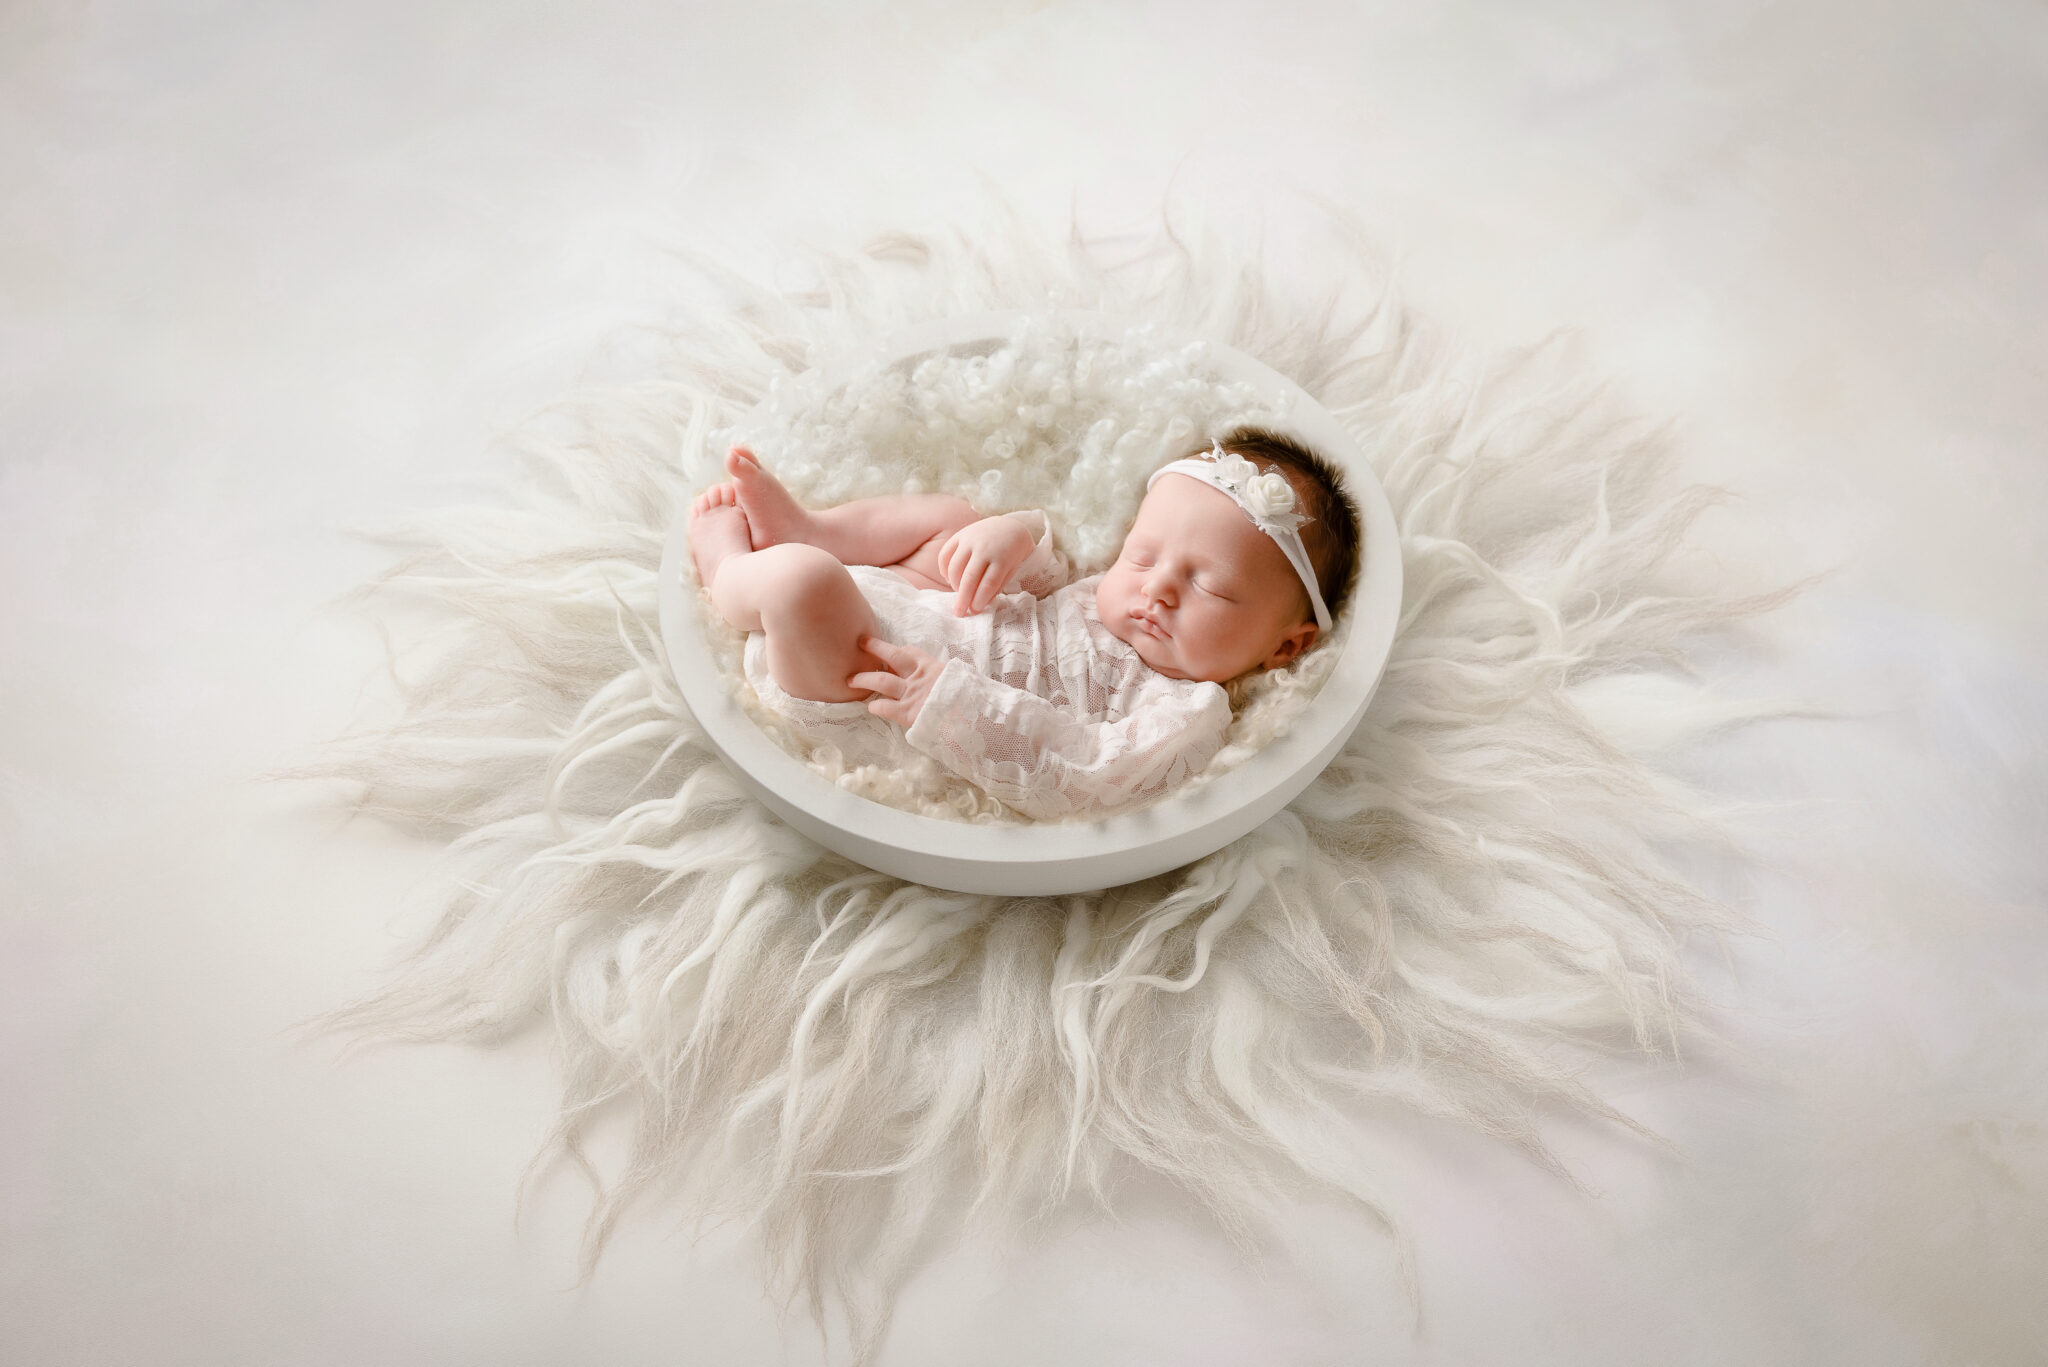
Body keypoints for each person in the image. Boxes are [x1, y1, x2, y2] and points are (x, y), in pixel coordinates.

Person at [687, 429, 1360, 821]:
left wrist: (952, 702)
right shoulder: (1110, 597)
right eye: (1142, 553)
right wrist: (1012, 538)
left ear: (1284, 645)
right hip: (928, 609)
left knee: (805, 582)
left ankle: (732, 572)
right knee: (956, 520)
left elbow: (1089, 773)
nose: (1156, 587)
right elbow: (1047, 592)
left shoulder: (1187, 712)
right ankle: (818, 529)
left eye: (1210, 585)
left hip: (871, 688)